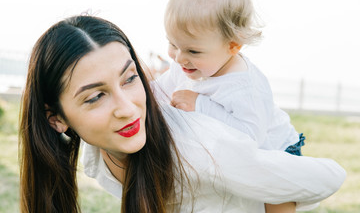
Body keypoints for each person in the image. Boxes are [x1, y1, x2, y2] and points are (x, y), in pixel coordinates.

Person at [19, 15, 346, 213]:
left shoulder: (199, 148)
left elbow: (326, 176)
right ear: (56, 118)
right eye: (95, 97)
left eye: (130, 78)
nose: (128, 107)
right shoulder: (97, 154)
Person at [154, 0, 339, 212]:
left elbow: (250, 135)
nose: (179, 58)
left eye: (193, 50)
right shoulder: (186, 65)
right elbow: (159, 90)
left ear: (233, 45)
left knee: (276, 197)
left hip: (275, 149)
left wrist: (200, 104)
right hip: (241, 153)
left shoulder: (245, 85)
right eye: (172, 44)